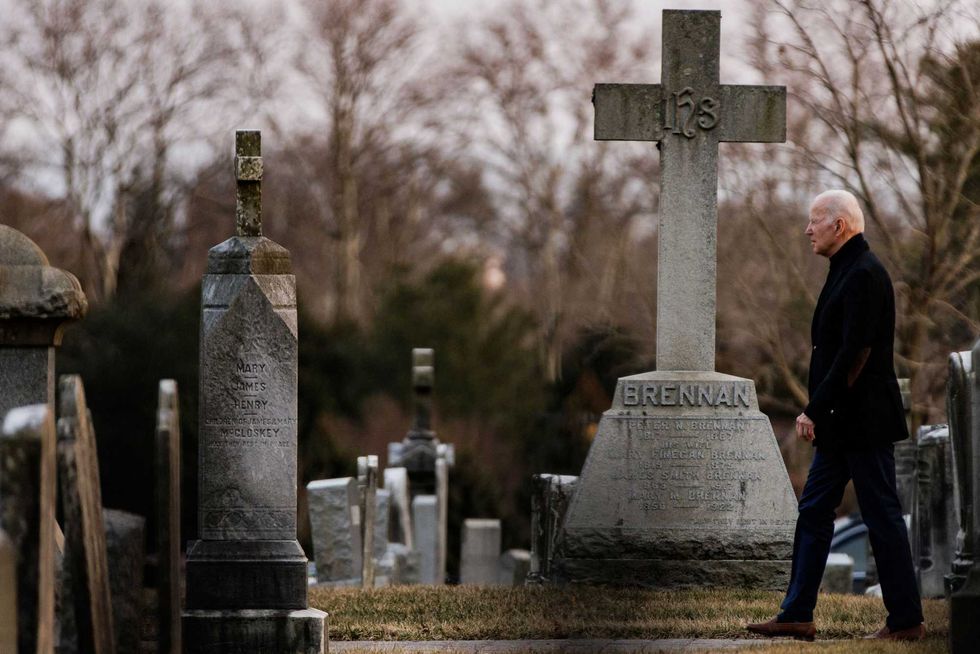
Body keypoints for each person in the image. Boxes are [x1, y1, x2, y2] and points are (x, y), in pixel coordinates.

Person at [746, 190, 925, 642]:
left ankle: (906, 621)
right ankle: (797, 613)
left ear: (839, 226)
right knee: (813, 511)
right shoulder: (846, 269)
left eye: (814, 222)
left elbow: (855, 354)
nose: (807, 230)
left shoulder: (864, 273)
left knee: (881, 515)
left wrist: (814, 408)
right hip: (842, 422)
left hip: (861, 420)